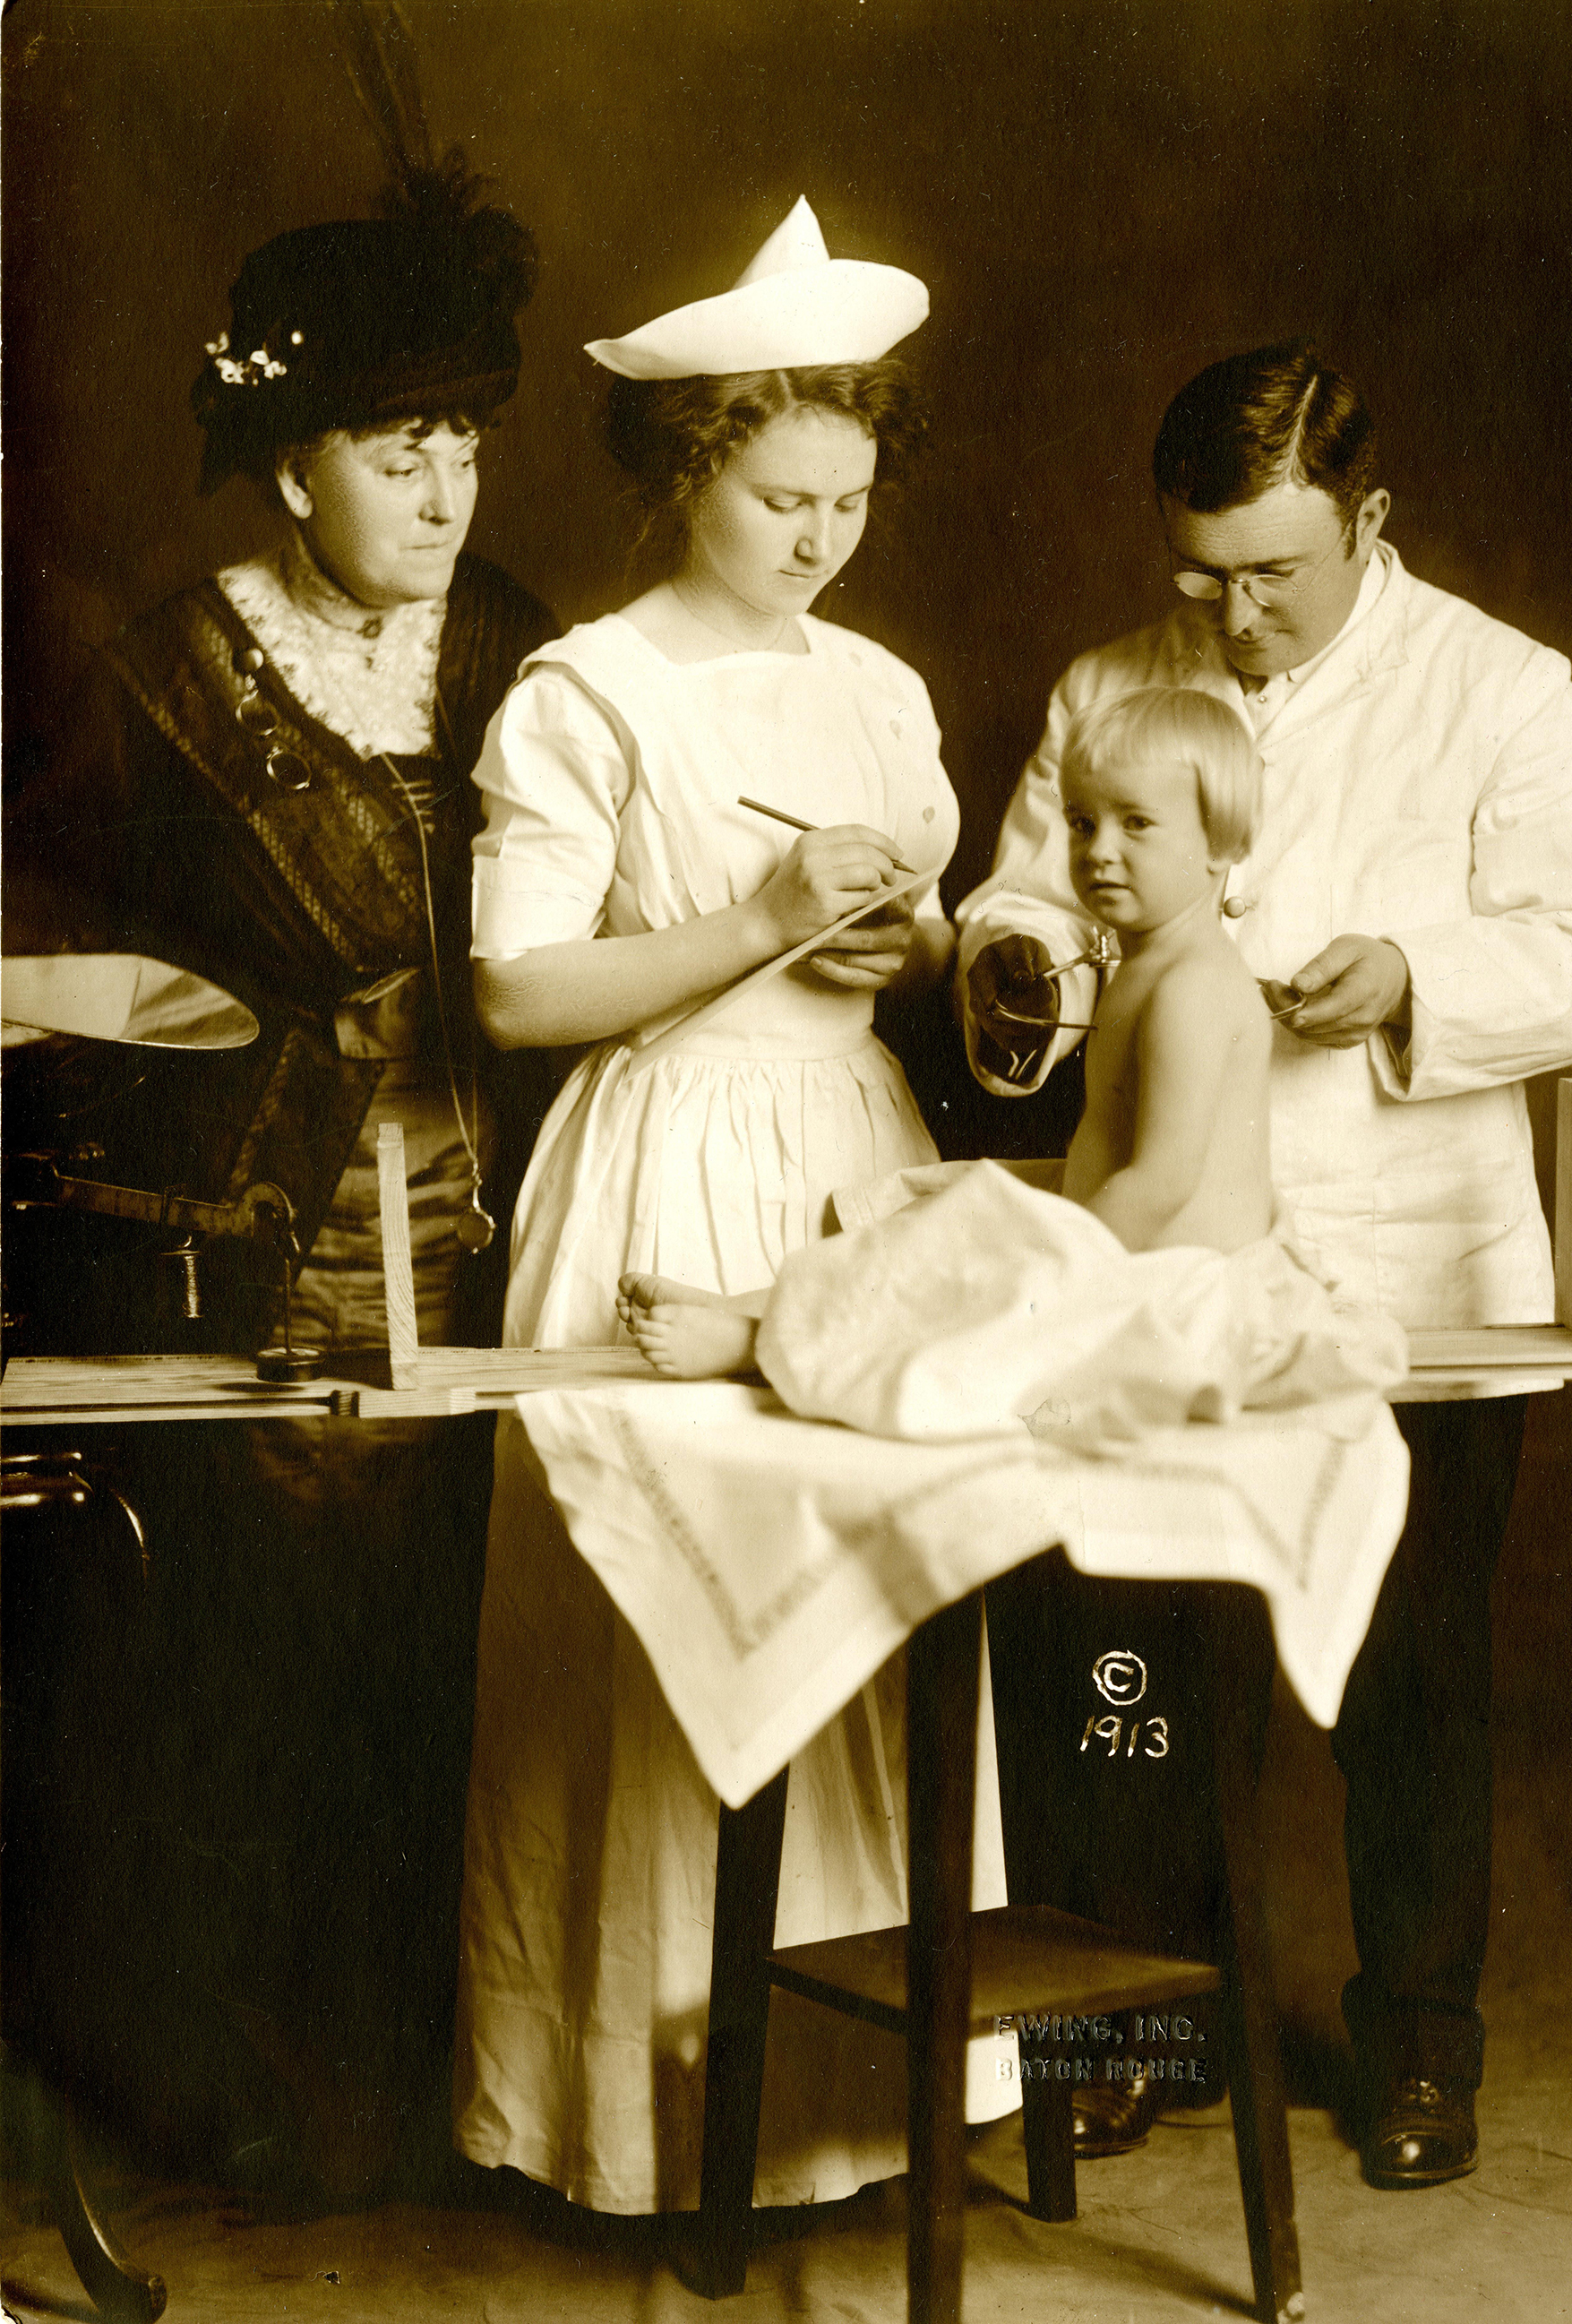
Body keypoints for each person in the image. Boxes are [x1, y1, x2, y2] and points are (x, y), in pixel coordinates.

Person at [957, 341, 1572, 2185]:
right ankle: (1146, 2026)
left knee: (1402, 1671)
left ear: (1369, 517)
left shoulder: (1506, 698)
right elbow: (1029, 889)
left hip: (1411, 1264)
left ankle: (1420, 2042)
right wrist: (1013, 965)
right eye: (1201, 573)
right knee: (1143, 1661)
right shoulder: (1112, 684)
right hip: (1171, 1278)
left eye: (1277, 571)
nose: (1235, 612)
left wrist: (1419, 977)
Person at [4, 163, 558, 2193]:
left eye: (463, 444)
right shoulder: (166, 680)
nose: (441, 490)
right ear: (286, 462)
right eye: (391, 448)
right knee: (237, 1661)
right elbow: (52, 943)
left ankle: (420, 2058)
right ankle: (206, 2061)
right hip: (242, 1251)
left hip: (488, 1225)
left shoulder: (516, 643)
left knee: (441, 1658)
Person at [452, 199, 1008, 2220]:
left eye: (849, 499)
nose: (818, 539)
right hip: (662, 1160)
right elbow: (516, 990)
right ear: (691, 471)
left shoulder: (875, 684)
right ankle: (640, 2123)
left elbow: (923, 938)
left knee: (866, 1613)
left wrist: (896, 947)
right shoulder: (584, 691)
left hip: (848, 1157)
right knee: (654, 1643)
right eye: (781, 496)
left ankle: (855, 2115)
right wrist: (754, 918)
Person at [618, 685, 1392, 1411]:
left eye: (1137, 824)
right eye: (1084, 823)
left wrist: (1046, 1260)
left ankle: (762, 1341)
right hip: (1137, 1245)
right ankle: (754, 1311)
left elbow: (1162, 1179)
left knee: (962, 1268)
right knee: (931, 1217)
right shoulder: (1150, 961)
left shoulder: (1192, 988)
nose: (1099, 851)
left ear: (1226, 843)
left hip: (1178, 1284)